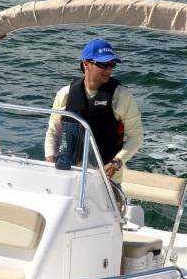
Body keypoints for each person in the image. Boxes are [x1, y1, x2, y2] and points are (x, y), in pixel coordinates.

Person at [45, 38, 143, 180]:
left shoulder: (122, 97)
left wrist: (117, 162)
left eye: (112, 64)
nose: (109, 70)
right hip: (69, 172)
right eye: (103, 64)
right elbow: (53, 132)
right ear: (86, 64)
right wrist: (50, 161)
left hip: (107, 177)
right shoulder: (64, 94)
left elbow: (136, 137)